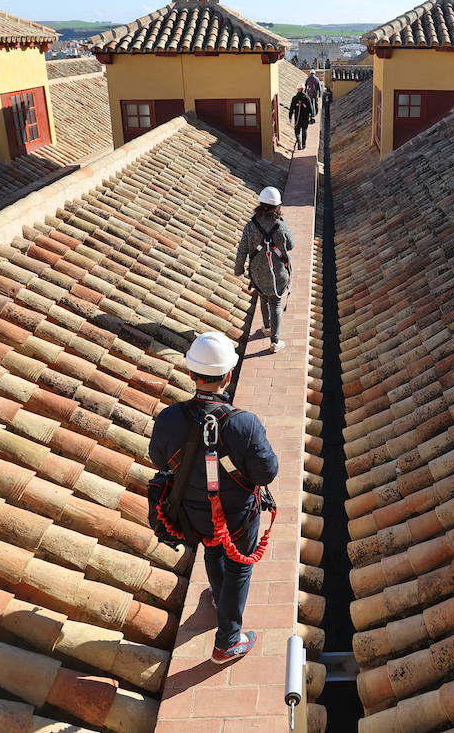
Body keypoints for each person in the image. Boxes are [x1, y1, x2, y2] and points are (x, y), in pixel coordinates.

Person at [149, 332, 280, 664]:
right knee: (239, 566)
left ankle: (220, 598)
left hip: (192, 514)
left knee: (212, 549)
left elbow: (160, 461)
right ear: (229, 375)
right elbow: (266, 473)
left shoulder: (168, 419)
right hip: (237, 515)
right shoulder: (244, 424)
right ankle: (228, 641)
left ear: (191, 373)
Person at [235, 186, 294, 353]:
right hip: (278, 274)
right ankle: (275, 341)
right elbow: (291, 245)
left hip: (257, 274)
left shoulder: (250, 226)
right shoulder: (281, 226)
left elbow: (242, 250)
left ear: (260, 204)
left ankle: (267, 327)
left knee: (263, 298)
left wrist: (239, 269)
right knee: (276, 303)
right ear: (277, 206)